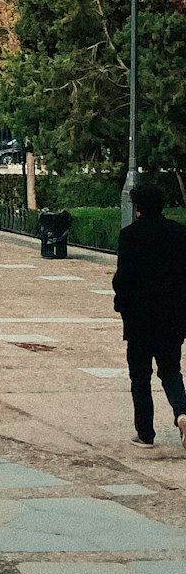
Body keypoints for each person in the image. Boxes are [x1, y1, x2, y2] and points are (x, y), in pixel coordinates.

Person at [112, 182, 186, 451]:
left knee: (140, 375)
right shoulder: (179, 234)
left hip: (140, 317)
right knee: (171, 371)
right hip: (173, 317)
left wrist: (121, 304)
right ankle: (182, 414)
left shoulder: (130, 235)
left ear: (137, 207)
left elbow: (124, 278)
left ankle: (145, 433)